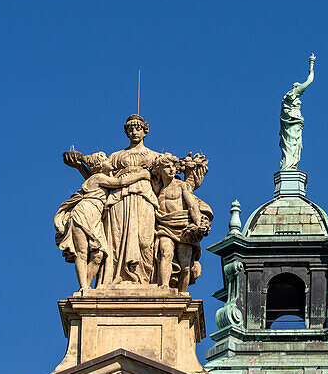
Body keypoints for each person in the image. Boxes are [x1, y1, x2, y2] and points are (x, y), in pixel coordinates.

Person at [64, 115, 159, 284]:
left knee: (145, 241)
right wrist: (80, 166)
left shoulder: (155, 156)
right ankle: (118, 277)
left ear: (145, 131)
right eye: (130, 129)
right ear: (126, 132)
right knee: (117, 241)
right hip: (118, 201)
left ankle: (145, 280)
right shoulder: (116, 156)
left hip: (145, 199)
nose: (134, 132)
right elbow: (98, 178)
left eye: (138, 128)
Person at [54, 152, 152, 290]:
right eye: (105, 159)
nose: (109, 161)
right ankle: (84, 287)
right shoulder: (98, 177)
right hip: (84, 214)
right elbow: (120, 182)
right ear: (99, 166)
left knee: (99, 254)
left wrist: (80, 165)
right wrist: (142, 175)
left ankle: (86, 286)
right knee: (82, 252)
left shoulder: (99, 178)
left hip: (95, 218)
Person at [151, 153, 212, 293]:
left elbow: (192, 206)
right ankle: (164, 287)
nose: (171, 169)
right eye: (166, 167)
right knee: (165, 254)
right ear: (158, 170)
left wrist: (198, 225)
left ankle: (182, 293)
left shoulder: (182, 185)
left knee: (185, 265)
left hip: (183, 228)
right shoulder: (155, 188)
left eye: (173, 166)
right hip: (164, 227)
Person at [278, 54, 315, 171]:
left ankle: (290, 164)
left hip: (294, 125)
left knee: (294, 147)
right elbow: (309, 81)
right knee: (291, 146)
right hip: (292, 125)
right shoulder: (292, 94)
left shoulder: (288, 100)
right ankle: (289, 165)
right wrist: (311, 64)